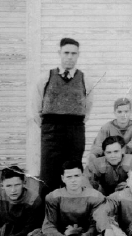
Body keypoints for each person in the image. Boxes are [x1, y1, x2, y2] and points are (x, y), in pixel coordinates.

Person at [33, 38, 94, 197]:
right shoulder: (46, 77)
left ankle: (71, 214)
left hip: (75, 130)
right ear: (59, 53)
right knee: (49, 175)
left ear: (78, 55)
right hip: (51, 130)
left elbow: (87, 109)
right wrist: (49, 127)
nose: (69, 57)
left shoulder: (84, 79)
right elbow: (36, 108)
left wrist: (73, 124)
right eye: (66, 53)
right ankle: (46, 218)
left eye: (74, 53)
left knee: (72, 173)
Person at [31, 161, 106, 236]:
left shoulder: (95, 196)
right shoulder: (53, 197)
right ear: (63, 178)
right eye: (69, 177)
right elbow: (48, 226)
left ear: (82, 176)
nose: (73, 180)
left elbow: (96, 224)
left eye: (76, 176)